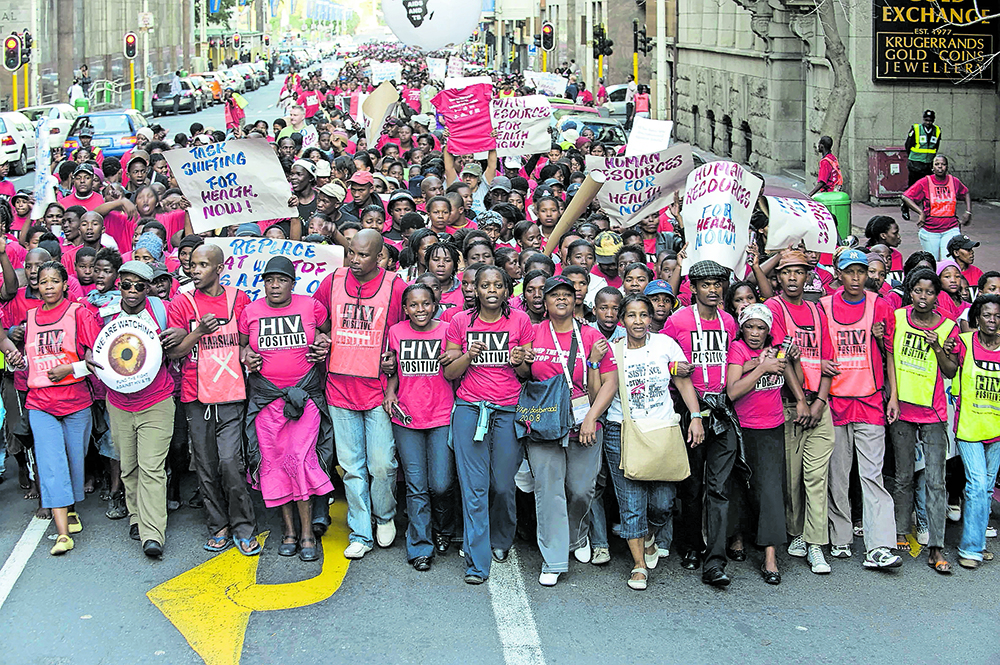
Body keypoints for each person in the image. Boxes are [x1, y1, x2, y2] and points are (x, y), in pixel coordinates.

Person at [313, 229, 406, 558]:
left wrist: (394, 356)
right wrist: (324, 339)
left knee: (382, 465)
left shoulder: (396, 286)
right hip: (339, 388)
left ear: (379, 256)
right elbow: (318, 317)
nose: (355, 259)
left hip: (378, 390)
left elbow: (408, 330)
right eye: (351, 252)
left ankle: (385, 516)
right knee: (351, 467)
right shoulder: (333, 280)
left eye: (363, 255)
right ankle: (361, 532)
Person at [164, 244, 260, 556]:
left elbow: (246, 343)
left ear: (220, 268)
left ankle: (244, 526)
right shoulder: (182, 302)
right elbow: (174, 352)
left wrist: (250, 355)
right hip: (195, 395)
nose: (195, 270)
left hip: (231, 394)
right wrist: (198, 333)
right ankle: (217, 525)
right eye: (192, 264)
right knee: (205, 465)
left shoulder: (239, 298)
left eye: (203, 264)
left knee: (231, 463)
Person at [239, 257, 334, 563]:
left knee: (300, 460)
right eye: (269, 280)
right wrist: (247, 355)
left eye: (281, 280)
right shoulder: (250, 312)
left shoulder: (310, 306)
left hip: (304, 399)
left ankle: (307, 532)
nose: (275, 285)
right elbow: (243, 347)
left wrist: (322, 339)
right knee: (275, 463)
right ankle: (289, 531)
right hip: (267, 402)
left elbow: (328, 333)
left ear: (293, 283)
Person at [444, 265, 534, 584]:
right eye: (485, 285)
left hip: (508, 411)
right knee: (474, 488)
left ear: (507, 290)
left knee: (503, 485)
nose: (491, 290)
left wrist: (521, 361)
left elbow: (526, 374)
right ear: (476, 290)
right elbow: (450, 373)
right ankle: (476, 561)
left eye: (498, 285)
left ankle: (502, 538)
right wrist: (468, 356)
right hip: (470, 409)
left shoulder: (520, 321)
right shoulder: (459, 321)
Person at [607, 294, 704, 590]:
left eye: (643, 315)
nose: (638, 321)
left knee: (662, 503)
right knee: (632, 503)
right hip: (622, 429)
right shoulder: (614, 350)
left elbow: (683, 381)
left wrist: (696, 416)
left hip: (662, 430)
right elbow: (602, 388)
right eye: (631, 315)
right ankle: (638, 565)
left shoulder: (665, 345)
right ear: (622, 320)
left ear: (651, 319)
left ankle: (650, 533)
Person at [527, 276, 618, 586]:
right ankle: (553, 560)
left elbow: (610, 383)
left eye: (568, 294)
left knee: (581, 489)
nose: (562, 299)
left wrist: (593, 417)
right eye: (555, 296)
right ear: (545, 302)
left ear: (577, 298)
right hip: (544, 423)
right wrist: (519, 362)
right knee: (548, 490)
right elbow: (524, 375)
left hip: (584, 421)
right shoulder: (533, 332)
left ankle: (577, 535)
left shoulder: (592, 336)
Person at [820, 249, 902, 570]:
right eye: (849, 272)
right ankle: (840, 537)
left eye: (861, 272)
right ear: (838, 274)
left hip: (870, 401)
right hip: (836, 401)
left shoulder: (879, 305)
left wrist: (892, 396)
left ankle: (879, 545)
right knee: (838, 476)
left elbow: (890, 353)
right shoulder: (825, 306)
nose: (856, 278)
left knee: (872, 476)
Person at [662, 260, 739, 587]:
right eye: (705, 284)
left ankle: (715, 561)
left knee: (719, 487)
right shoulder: (677, 321)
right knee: (692, 487)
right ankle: (691, 544)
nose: (712, 290)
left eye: (717, 284)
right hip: (689, 408)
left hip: (722, 409)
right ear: (692, 288)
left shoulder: (730, 322)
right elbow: (663, 363)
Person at [764, 250, 837, 569]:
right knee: (792, 479)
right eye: (787, 272)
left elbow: (829, 362)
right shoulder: (774, 308)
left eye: (799, 272)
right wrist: (802, 402)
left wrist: (819, 402)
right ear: (777, 277)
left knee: (815, 477)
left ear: (809, 276)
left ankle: (816, 544)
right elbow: (783, 359)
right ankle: (796, 532)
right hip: (789, 405)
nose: (793, 278)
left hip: (819, 405)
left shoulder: (818, 310)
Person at [885, 268, 959, 574]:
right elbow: (889, 356)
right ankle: (901, 531)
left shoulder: (948, 326)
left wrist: (937, 345)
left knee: (935, 481)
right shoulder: (898, 318)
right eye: (917, 291)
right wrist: (892, 397)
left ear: (937, 295)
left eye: (929, 292)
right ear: (910, 292)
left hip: (934, 412)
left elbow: (951, 370)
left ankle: (936, 548)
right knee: (902, 477)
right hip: (902, 408)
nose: (923, 297)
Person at [100, 261, 174, 558]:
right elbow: (91, 350)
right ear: (118, 285)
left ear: (149, 288)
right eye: (126, 285)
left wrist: (178, 336)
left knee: (152, 468)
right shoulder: (104, 315)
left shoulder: (161, 311)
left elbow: (179, 340)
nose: (132, 291)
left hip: (156, 400)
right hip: (118, 403)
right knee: (128, 467)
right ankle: (135, 516)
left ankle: (152, 533)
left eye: (139, 286)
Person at [727, 304, 805, 585]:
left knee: (772, 492)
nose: (755, 333)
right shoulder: (738, 349)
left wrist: (789, 363)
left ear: (768, 330)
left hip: (772, 426)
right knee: (741, 485)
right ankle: (737, 536)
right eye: (750, 326)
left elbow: (795, 380)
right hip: (743, 427)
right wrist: (761, 367)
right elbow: (732, 390)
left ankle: (770, 556)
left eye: (761, 328)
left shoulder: (777, 350)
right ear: (742, 327)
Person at [24, 261, 99, 555]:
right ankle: (63, 534)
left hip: (76, 401)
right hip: (40, 402)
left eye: (55, 281)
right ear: (37, 286)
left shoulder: (78, 313)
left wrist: (71, 367)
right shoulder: (29, 318)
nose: (49, 286)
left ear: (65, 284)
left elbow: (98, 359)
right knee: (51, 463)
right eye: (43, 282)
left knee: (74, 461)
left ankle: (69, 508)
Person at [384, 283, 456, 570]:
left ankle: (444, 528)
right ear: (405, 309)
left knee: (440, 484)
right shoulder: (396, 332)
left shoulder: (448, 330)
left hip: (441, 414)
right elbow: (393, 368)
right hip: (407, 416)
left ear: (434, 304)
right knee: (416, 486)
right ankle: (420, 547)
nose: (420, 309)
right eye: (413, 305)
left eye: (425, 303)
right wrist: (390, 391)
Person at [952, 295, 1000, 569]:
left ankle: (978, 542)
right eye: (987, 315)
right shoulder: (965, 343)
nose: (992, 320)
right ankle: (970, 549)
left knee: (986, 488)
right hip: (969, 425)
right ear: (977, 318)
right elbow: (948, 369)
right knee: (978, 485)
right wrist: (943, 350)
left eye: (997, 316)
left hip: (997, 430)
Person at [901, 155, 971, 260]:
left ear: (947, 167)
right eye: (937, 164)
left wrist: (968, 211)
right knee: (933, 261)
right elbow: (906, 196)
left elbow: (965, 192)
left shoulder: (954, 181)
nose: (940, 167)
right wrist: (921, 213)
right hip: (930, 231)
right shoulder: (925, 182)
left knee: (949, 262)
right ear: (932, 167)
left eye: (943, 164)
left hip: (951, 228)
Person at [901, 110, 941, 220]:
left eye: (930, 120)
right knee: (912, 188)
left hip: (928, 164)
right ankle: (905, 208)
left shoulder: (937, 130)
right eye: (926, 120)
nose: (928, 122)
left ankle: (926, 211)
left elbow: (936, 146)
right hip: (915, 163)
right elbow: (908, 145)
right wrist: (913, 157)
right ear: (923, 119)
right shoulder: (916, 129)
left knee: (927, 188)